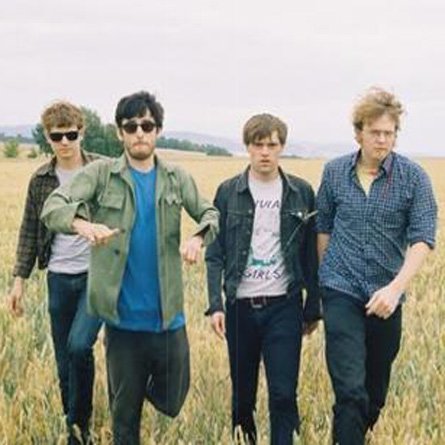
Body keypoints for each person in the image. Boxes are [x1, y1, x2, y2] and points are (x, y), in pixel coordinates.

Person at [41, 90, 219, 445]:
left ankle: (138, 387)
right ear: (119, 132)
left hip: (167, 318)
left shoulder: (176, 177)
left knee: (173, 398)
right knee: (125, 423)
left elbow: (210, 213)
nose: (139, 133)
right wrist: (82, 224)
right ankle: (127, 392)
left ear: (158, 131)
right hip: (122, 322)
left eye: (147, 126)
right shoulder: (101, 174)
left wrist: (198, 238)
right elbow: (53, 206)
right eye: (131, 126)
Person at [316, 87, 438, 445]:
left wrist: (395, 289)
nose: (382, 139)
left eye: (389, 132)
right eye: (375, 132)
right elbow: (323, 227)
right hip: (340, 289)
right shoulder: (334, 172)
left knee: (374, 394)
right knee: (350, 391)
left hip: (387, 295)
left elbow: (422, 238)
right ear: (359, 133)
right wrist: (325, 279)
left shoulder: (413, 178)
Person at [205, 113, 320, 444]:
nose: (265, 152)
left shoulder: (301, 192)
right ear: (248, 147)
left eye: (272, 144)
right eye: (258, 145)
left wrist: (313, 306)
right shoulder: (228, 192)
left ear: (282, 146)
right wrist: (215, 305)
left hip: (284, 306)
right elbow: (215, 253)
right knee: (243, 398)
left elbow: (311, 255)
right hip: (240, 306)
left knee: (283, 394)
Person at [7, 101, 102, 444]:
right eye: (57, 136)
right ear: (47, 137)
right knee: (64, 363)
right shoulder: (41, 180)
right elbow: (29, 230)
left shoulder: (101, 170)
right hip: (58, 278)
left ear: (82, 133)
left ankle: (81, 427)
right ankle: (75, 427)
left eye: (71, 135)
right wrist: (19, 281)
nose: (64, 142)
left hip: (95, 275)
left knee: (79, 346)